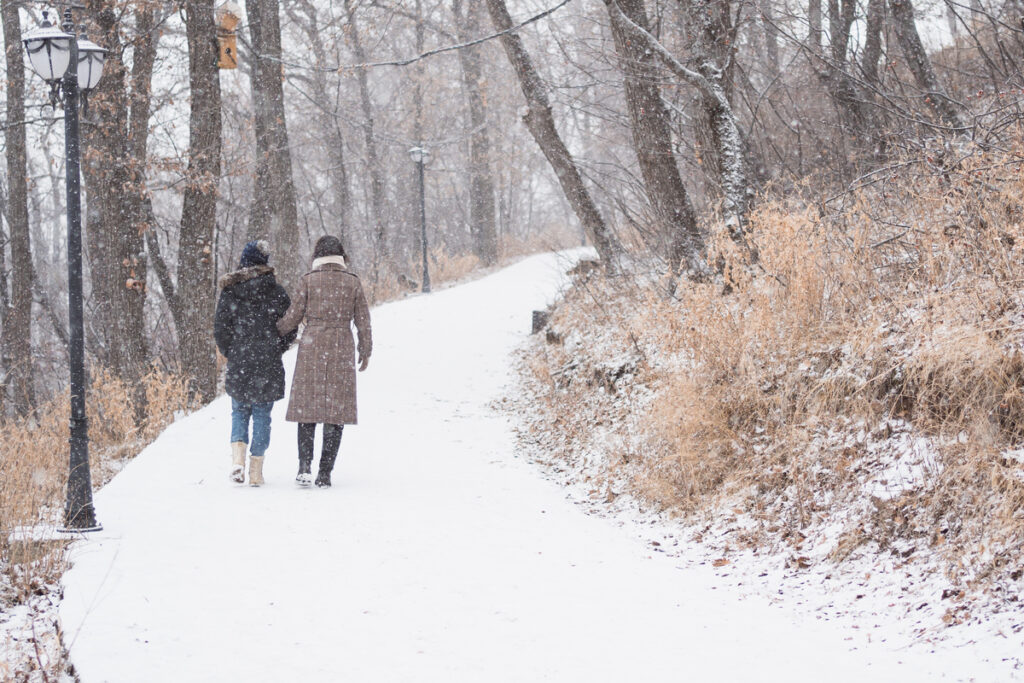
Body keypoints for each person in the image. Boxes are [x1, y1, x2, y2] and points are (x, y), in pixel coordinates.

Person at [277, 236, 372, 488]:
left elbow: (292, 317)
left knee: (307, 408)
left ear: (318, 254)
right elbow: (363, 319)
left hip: (312, 346)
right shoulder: (352, 282)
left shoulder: (309, 281)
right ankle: (325, 472)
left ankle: (304, 466)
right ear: (341, 255)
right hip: (342, 345)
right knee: (335, 411)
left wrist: (273, 332)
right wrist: (365, 349)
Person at [214, 240, 295, 486]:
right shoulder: (276, 291)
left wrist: (232, 350)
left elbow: (220, 328)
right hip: (267, 359)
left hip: (240, 359)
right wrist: (276, 347)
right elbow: (289, 326)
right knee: (262, 413)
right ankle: (256, 472)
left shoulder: (230, 291)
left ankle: (237, 461)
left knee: (239, 410)